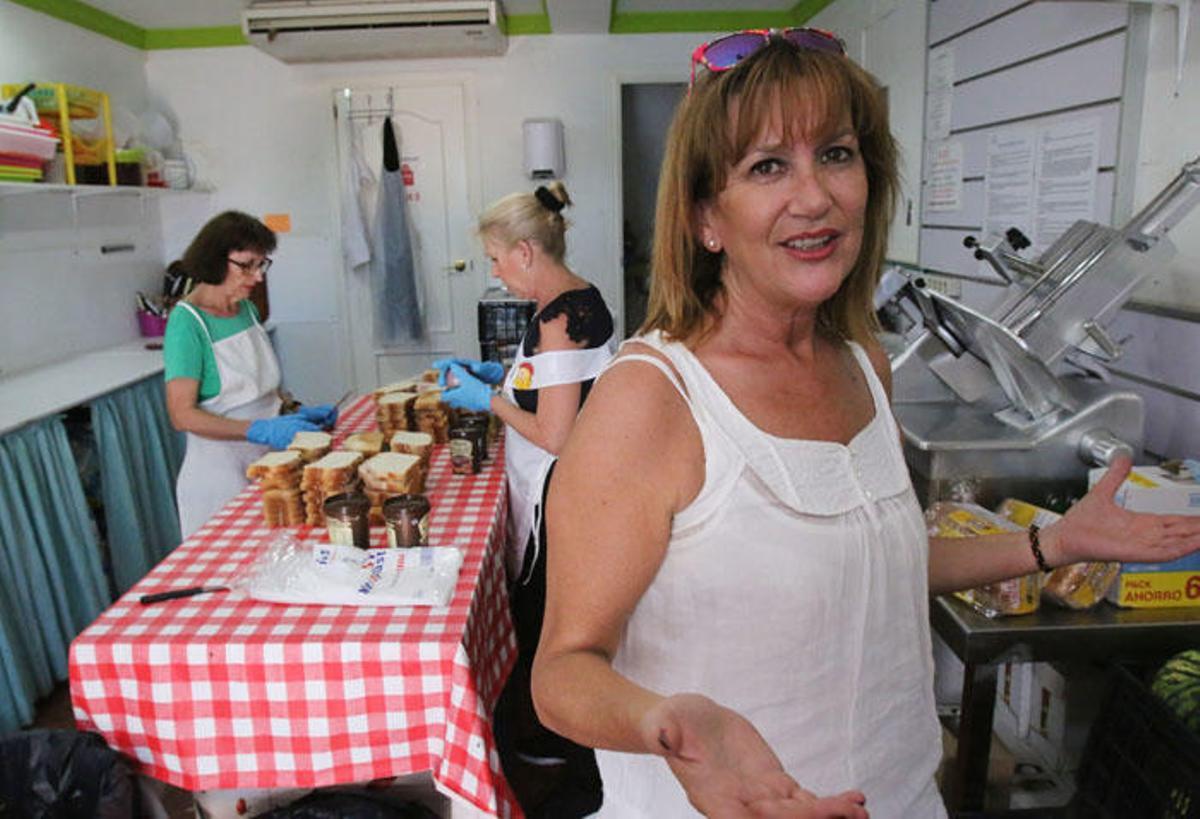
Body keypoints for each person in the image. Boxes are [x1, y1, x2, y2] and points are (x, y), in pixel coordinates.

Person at [531, 30, 1200, 819]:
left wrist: (1052, 543)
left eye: (837, 154)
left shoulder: (862, 365)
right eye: (768, 166)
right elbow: (563, 671)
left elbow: (878, 565)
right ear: (707, 216)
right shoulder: (653, 397)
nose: (814, 197)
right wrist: (663, 721)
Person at [434, 181, 615, 818]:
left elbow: (557, 432)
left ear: (527, 251)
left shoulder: (558, 320)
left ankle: (562, 767)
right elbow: (549, 385)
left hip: (555, 502)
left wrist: (489, 400)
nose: (495, 271)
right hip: (569, 495)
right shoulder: (578, 298)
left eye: (496, 258)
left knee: (544, 629)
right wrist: (506, 377)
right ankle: (554, 744)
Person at [164, 211, 336, 539]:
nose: (257, 277)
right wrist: (258, 429)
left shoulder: (246, 309)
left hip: (269, 464)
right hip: (219, 477)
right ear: (215, 259)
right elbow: (182, 415)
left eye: (262, 265)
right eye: (248, 265)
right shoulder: (187, 324)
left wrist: (293, 411)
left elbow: (260, 387)